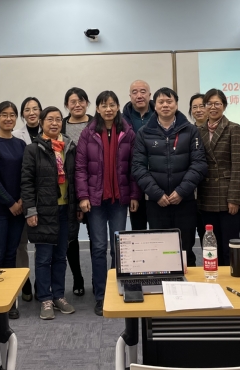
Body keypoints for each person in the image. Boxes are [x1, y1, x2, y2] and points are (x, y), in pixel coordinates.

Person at [75, 90, 140, 316]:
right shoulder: (88, 133)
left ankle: (117, 289)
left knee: (118, 248)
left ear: (118, 106)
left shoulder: (128, 132)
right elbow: (80, 168)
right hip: (95, 200)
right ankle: (101, 295)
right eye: (104, 105)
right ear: (97, 109)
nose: (108, 109)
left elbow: (134, 168)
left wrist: (134, 195)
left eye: (112, 104)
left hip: (119, 200)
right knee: (99, 247)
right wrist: (83, 196)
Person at [131, 88, 207, 267]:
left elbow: (199, 164)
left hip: (185, 201)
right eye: (161, 102)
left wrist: (181, 191)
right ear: (155, 106)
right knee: (160, 250)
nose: (165, 105)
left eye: (169, 101)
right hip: (156, 203)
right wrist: (156, 194)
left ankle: (188, 283)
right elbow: (138, 167)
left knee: (186, 248)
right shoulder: (144, 132)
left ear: (176, 105)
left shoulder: (190, 131)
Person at [21, 107, 80, 320]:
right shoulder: (33, 149)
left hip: (66, 209)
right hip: (43, 210)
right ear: (42, 123)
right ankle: (45, 298)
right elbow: (26, 182)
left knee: (60, 256)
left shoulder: (69, 147)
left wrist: (77, 207)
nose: (54, 123)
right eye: (50, 119)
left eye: (58, 119)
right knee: (44, 257)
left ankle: (58, 296)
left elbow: (76, 179)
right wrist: (30, 210)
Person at [0, 101, 27, 319]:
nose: (8, 119)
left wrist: (21, 200)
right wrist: (11, 203)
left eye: (12, 115)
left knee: (11, 255)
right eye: (4, 115)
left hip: (18, 209)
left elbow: (26, 175)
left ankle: (9, 302)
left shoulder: (21, 144)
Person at [197, 89, 240, 267]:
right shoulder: (198, 130)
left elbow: (238, 166)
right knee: (211, 246)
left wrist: (234, 198)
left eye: (217, 103)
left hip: (227, 196)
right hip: (206, 195)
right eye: (209, 104)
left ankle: (233, 277)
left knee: (228, 246)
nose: (213, 107)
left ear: (224, 106)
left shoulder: (233, 128)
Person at [11, 96, 42, 302]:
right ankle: (25, 282)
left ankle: (41, 282)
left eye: (35, 109)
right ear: (22, 114)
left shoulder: (50, 133)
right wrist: (22, 197)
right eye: (27, 109)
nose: (32, 113)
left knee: (42, 244)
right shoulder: (14, 136)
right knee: (20, 244)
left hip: (44, 199)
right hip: (22, 197)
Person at [61, 87, 90, 296]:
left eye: (81, 101)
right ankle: (78, 277)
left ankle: (101, 280)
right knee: (70, 237)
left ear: (87, 103)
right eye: (73, 101)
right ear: (66, 105)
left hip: (94, 187)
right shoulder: (60, 125)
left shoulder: (97, 123)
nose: (77, 105)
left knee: (97, 238)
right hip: (68, 189)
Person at [122, 80, 154, 231]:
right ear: (130, 96)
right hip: (133, 179)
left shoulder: (160, 115)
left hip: (157, 179)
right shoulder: (121, 120)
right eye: (134, 92)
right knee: (138, 229)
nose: (139, 95)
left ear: (149, 95)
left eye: (143, 91)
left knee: (159, 230)